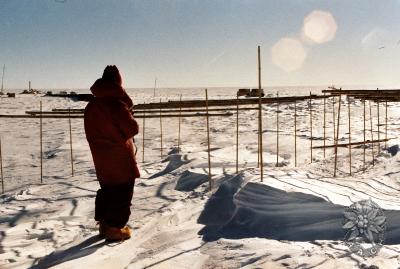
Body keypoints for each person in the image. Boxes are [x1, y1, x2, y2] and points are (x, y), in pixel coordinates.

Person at [84, 65, 140, 242]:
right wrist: (126, 103)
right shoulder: (116, 105)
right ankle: (115, 229)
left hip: (101, 158)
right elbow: (132, 128)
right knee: (123, 194)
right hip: (119, 158)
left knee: (108, 191)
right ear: (118, 83)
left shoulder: (91, 106)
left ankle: (105, 224)